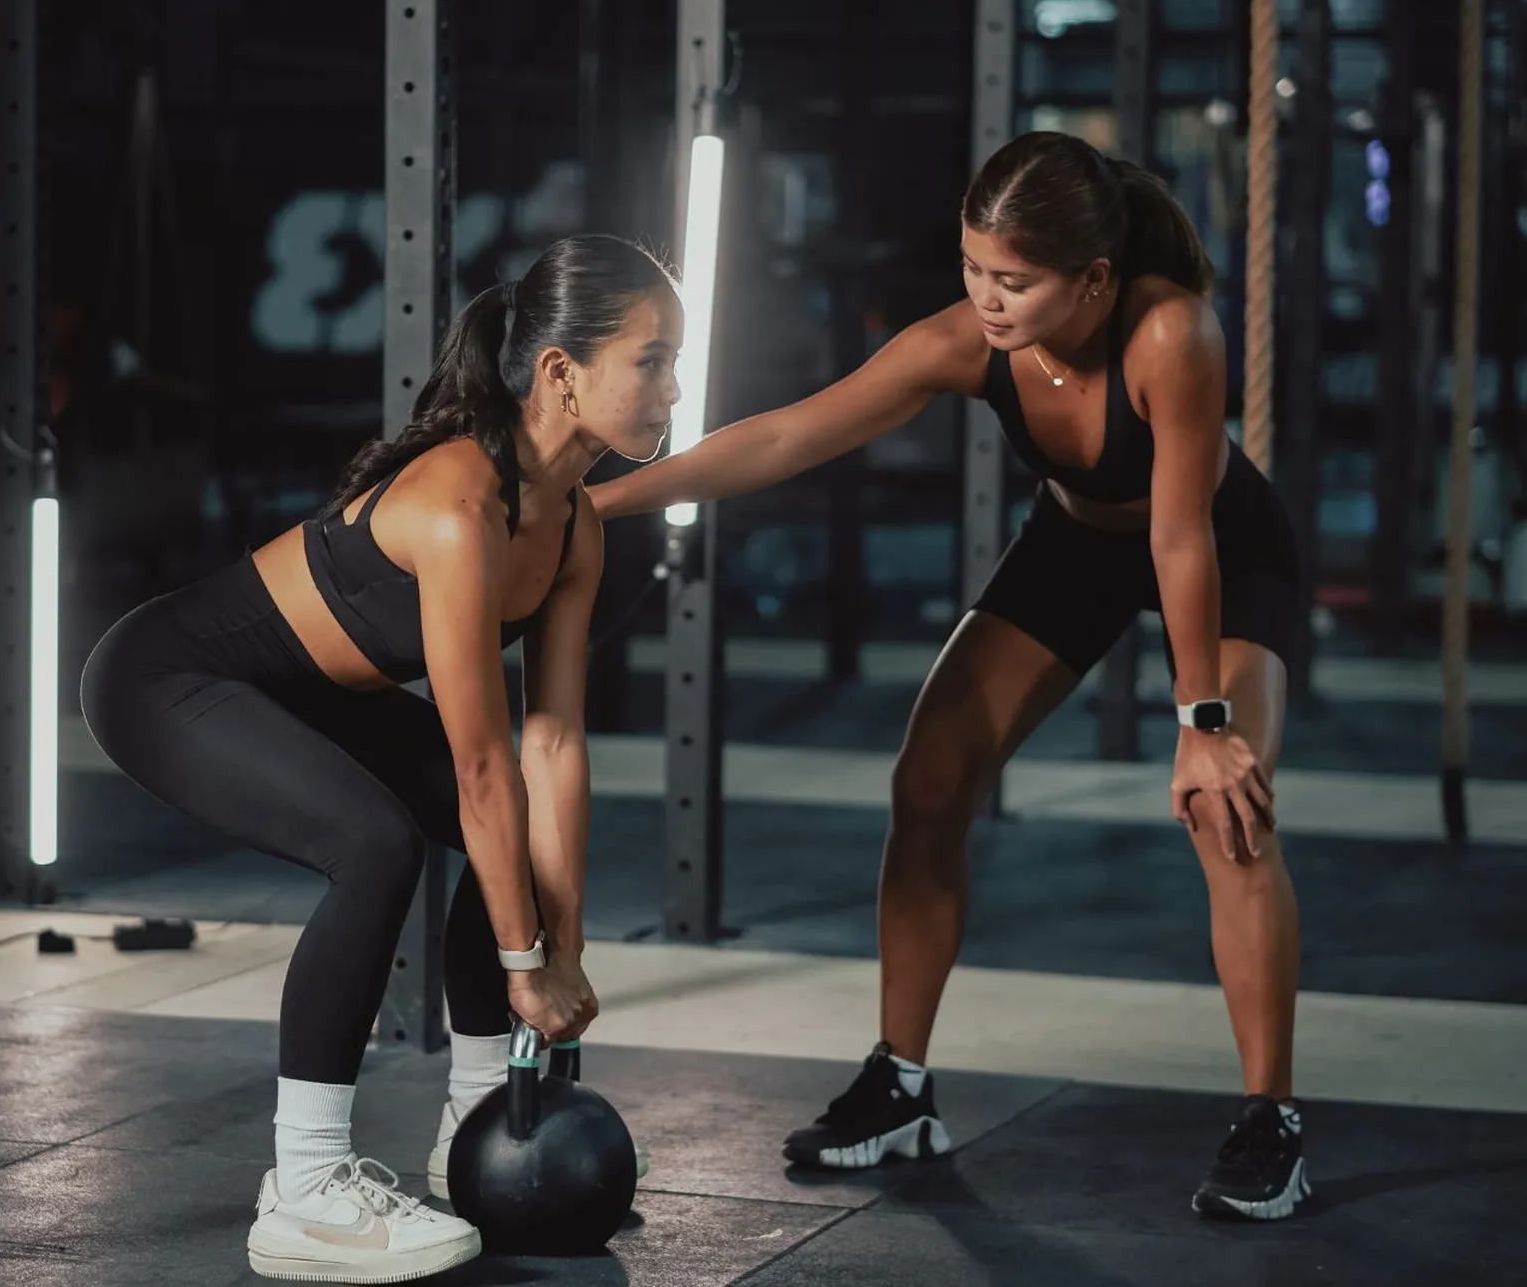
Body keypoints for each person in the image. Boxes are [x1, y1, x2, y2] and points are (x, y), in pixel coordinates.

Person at [588, 131, 1309, 1221]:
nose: (989, 299)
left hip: (1220, 547)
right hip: (1074, 548)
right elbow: (786, 437)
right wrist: (593, 503)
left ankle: (1273, 1123)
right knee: (927, 779)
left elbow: (1181, 538)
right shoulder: (967, 342)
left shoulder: (1174, 333)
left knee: (1228, 809)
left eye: (1014, 281)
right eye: (973, 270)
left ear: (1094, 280)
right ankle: (901, 1088)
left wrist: (1202, 719)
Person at [81, 234, 679, 1282]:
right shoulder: (458, 507)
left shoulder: (577, 526)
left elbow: (555, 743)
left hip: (306, 690)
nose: (676, 385)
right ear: (559, 372)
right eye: (653, 359)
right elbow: (487, 761)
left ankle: (484, 1128)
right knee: (377, 845)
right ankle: (305, 1188)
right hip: (165, 679)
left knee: (508, 850)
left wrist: (564, 945)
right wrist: (524, 963)